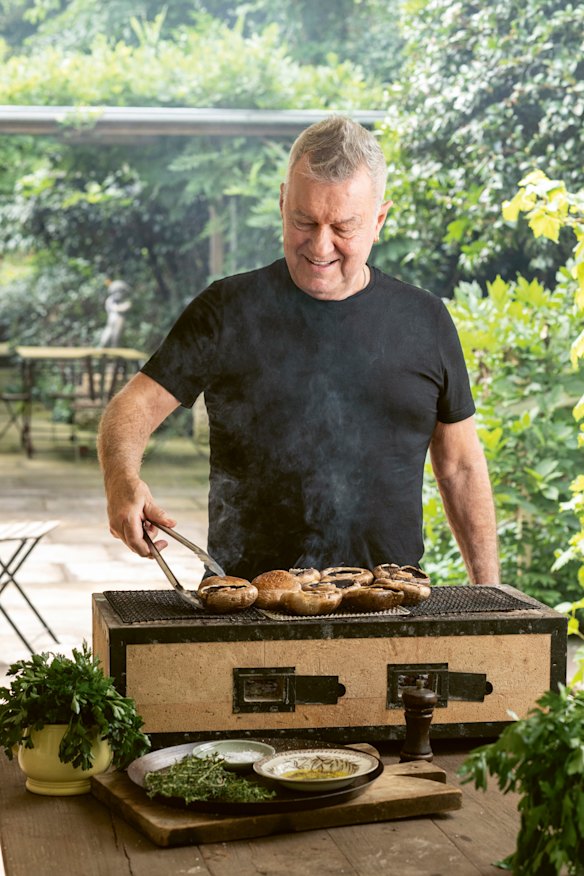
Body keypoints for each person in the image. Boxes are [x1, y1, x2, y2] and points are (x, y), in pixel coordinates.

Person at [98, 116, 499, 585]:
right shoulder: (227, 310)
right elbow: (133, 406)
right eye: (303, 221)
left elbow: (461, 466)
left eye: (343, 227)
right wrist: (121, 482)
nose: (320, 245)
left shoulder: (425, 320)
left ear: (379, 220)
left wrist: (488, 592)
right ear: (283, 202)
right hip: (247, 600)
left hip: (388, 601)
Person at [99, 280, 132, 348]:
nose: (118, 294)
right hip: (111, 320)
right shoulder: (110, 300)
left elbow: (125, 307)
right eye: (116, 291)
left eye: (120, 291)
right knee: (108, 333)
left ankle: (114, 347)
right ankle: (102, 346)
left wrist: (116, 308)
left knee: (117, 334)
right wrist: (116, 308)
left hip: (119, 320)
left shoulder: (126, 302)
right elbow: (109, 307)